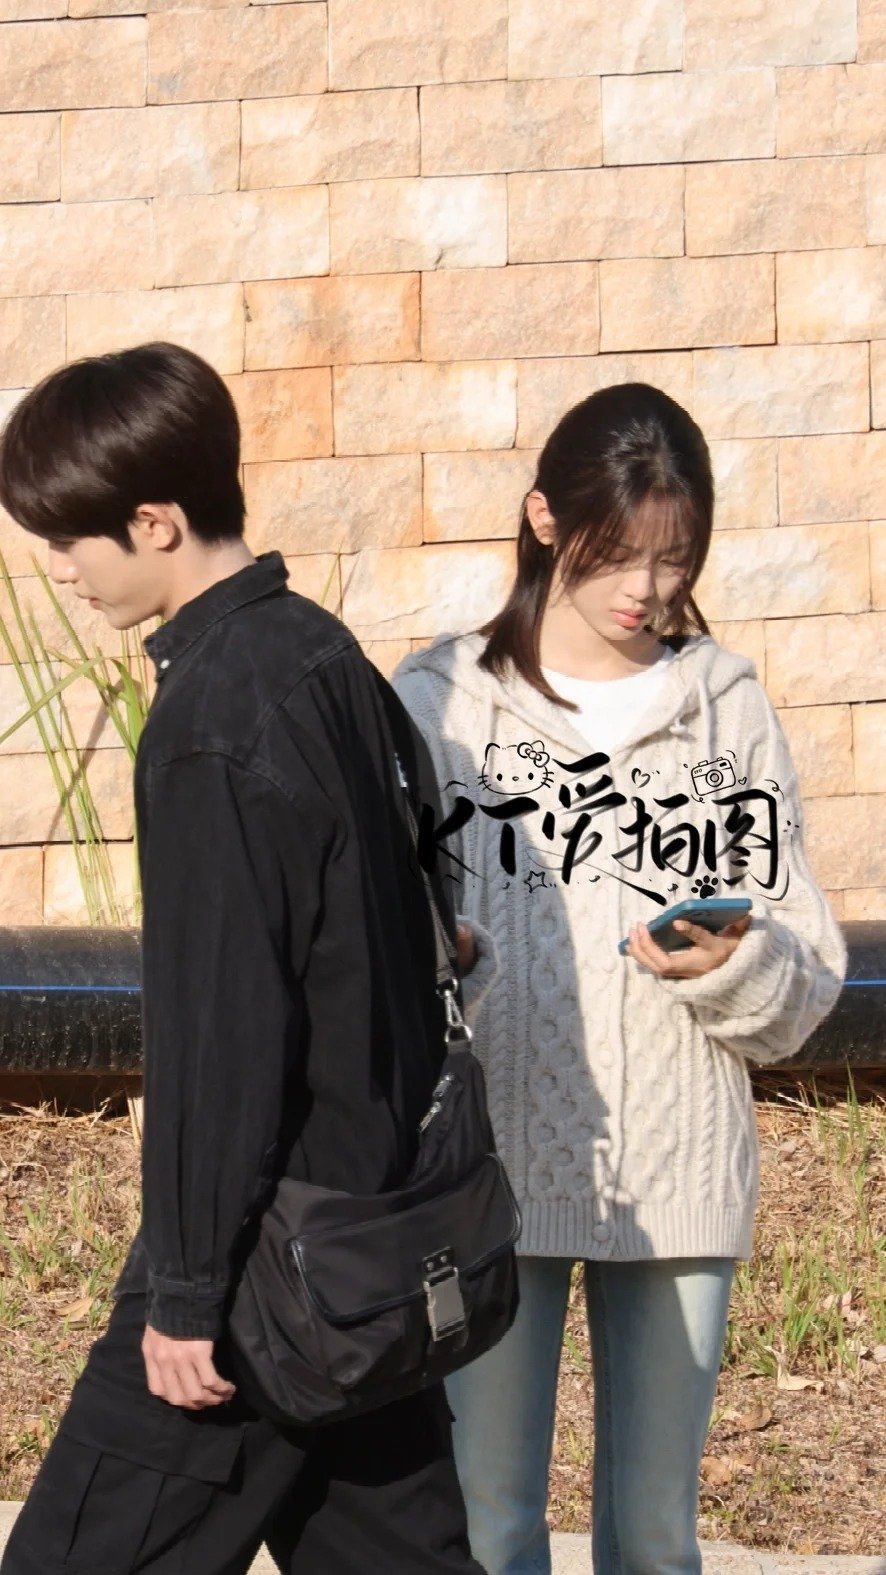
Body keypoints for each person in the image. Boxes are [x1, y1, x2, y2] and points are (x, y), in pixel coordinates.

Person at [0, 343, 491, 1575]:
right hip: (370, 1237)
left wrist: (182, 1297)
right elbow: (432, 919)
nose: (60, 569)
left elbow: (224, 1035)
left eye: (68, 538)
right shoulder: (327, 656)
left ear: (153, 522)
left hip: (264, 1263)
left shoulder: (209, 725)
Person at [393, 382, 846, 1575]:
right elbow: (375, 952)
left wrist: (734, 962)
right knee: (488, 1526)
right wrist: (449, 968)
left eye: (674, 557)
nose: (646, 588)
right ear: (544, 518)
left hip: (680, 1166)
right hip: (488, 1170)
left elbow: (804, 983)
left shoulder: (724, 708)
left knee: (653, 1538)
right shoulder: (438, 705)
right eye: (616, 553)